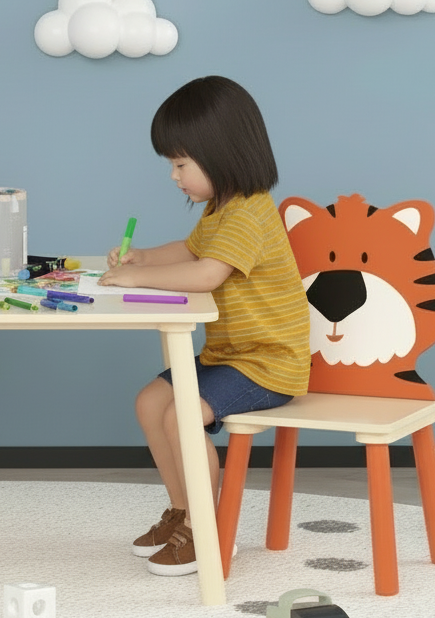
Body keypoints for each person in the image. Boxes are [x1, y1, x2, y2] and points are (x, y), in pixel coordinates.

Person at [99, 75, 310, 577]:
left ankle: (206, 527)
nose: (174, 176)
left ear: (221, 153)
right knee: (150, 402)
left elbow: (206, 272)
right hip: (231, 356)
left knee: (180, 415)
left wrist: (137, 275)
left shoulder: (249, 213)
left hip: (266, 363)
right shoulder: (221, 208)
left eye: (180, 164)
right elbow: (194, 249)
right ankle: (181, 510)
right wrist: (146, 254)